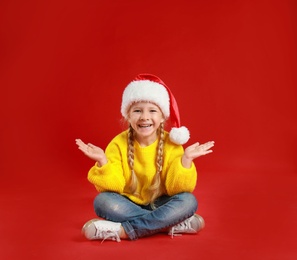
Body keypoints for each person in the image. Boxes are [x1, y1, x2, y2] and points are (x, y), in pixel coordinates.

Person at [75, 73, 214, 242]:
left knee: (188, 201)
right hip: (128, 204)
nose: (145, 117)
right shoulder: (118, 144)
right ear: (128, 115)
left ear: (162, 116)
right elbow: (115, 186)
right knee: (102, 201)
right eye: (137, 111)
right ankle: (168, 224)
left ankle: (124, 231)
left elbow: (176, 190)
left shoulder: (172, 144)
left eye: (152, 111)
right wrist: (103, 161)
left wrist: (186, 160)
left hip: (162, 202)